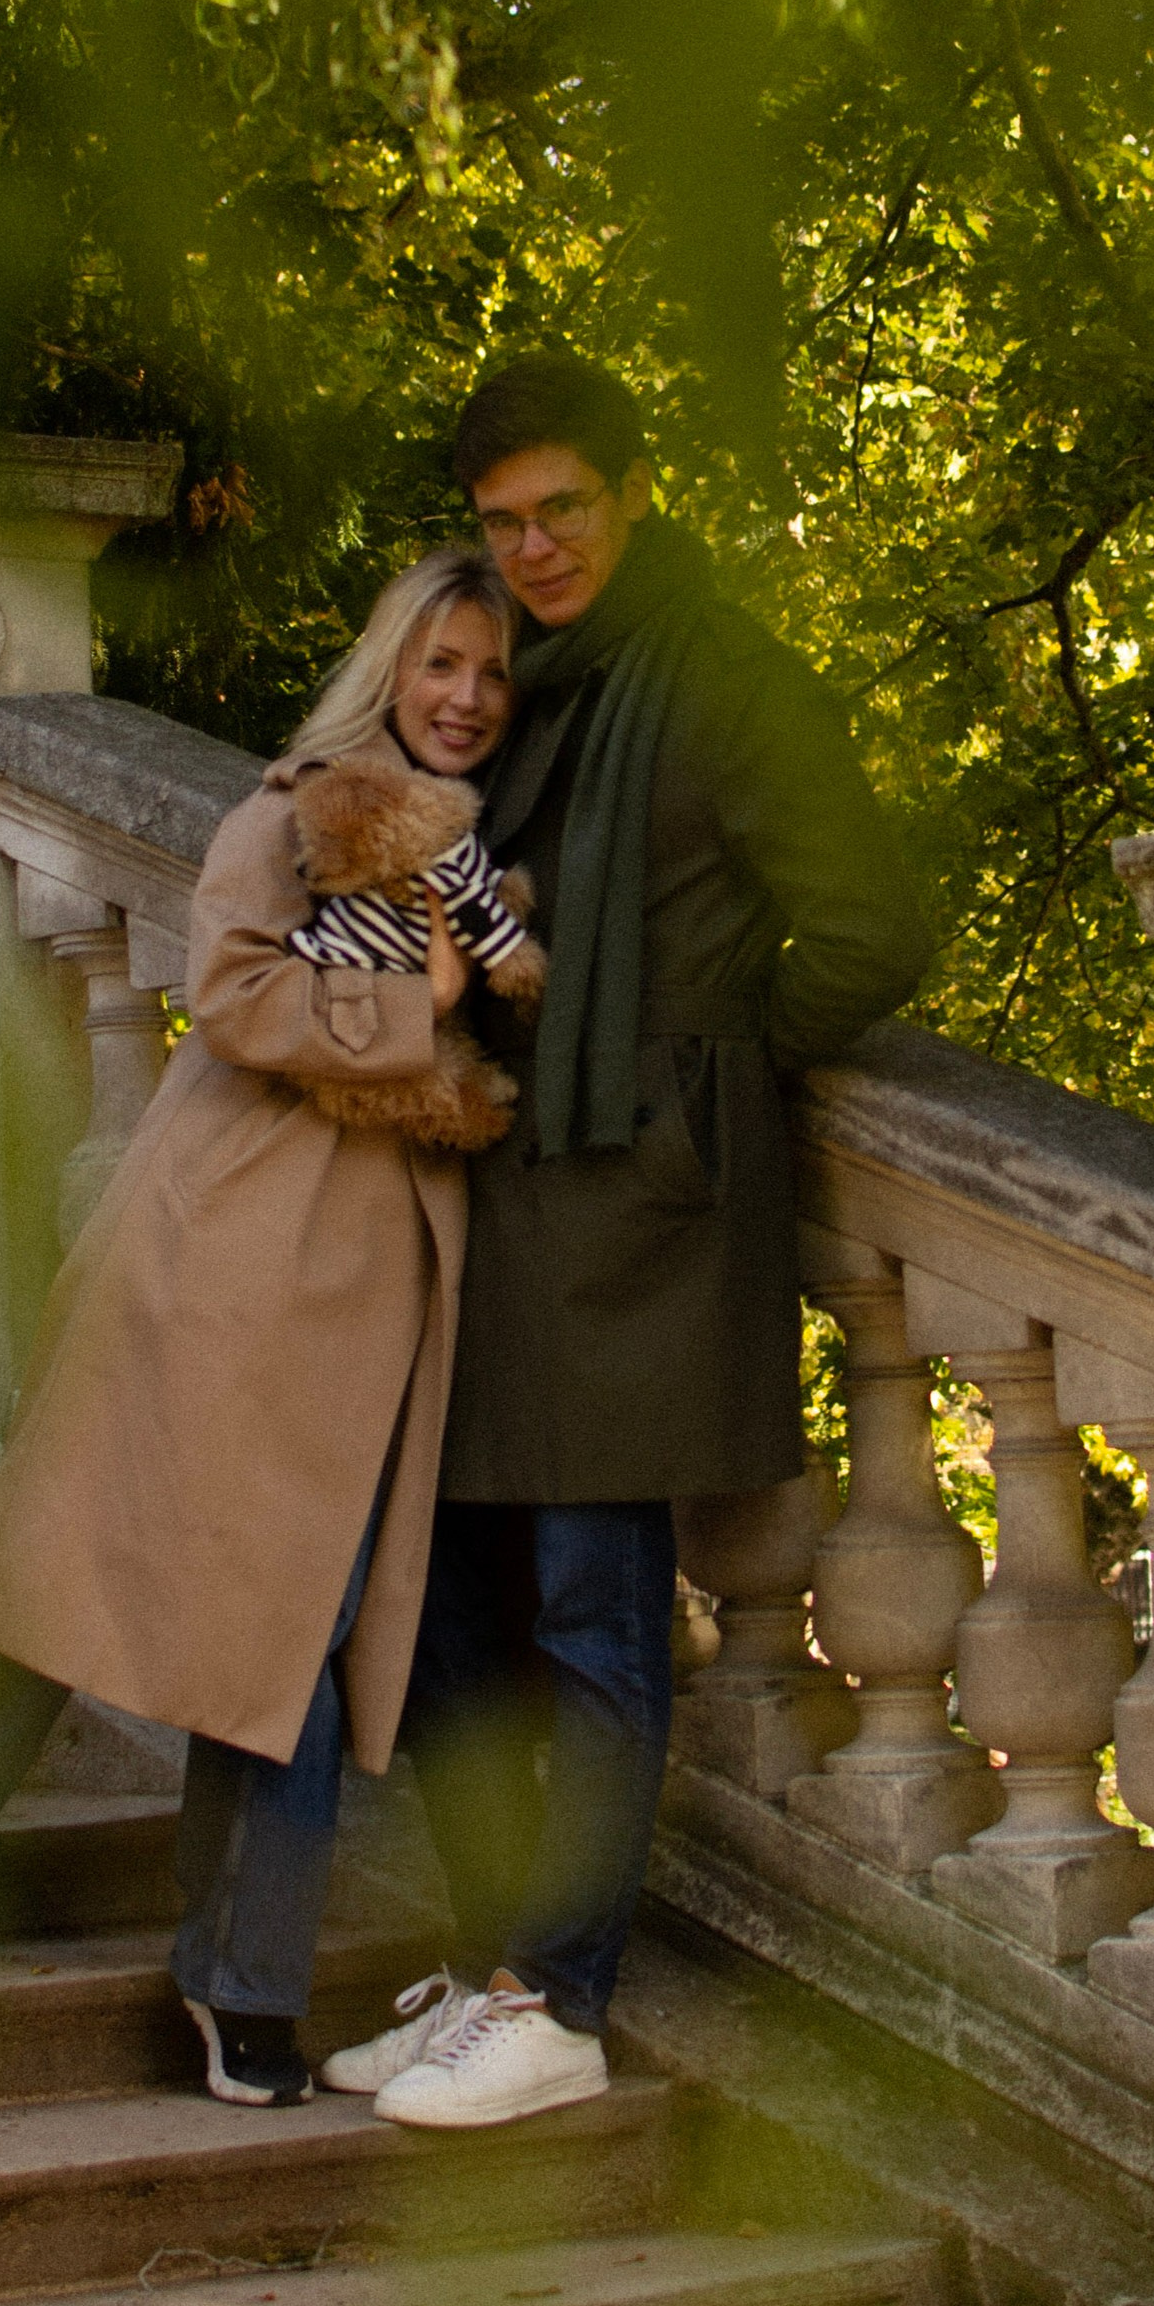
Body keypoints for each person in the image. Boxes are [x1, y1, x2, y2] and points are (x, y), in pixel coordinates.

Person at [324, 348, 937, 2131]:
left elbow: (870, 927)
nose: (534, 547)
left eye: (563, 508)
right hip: (508, 1204)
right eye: (503, 521)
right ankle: (489, 1965)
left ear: (636, 491)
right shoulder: (529, 687)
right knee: (448, 1608)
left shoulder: (729, 681)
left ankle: (559, 2002)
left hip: (642, 1219)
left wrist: (700, 1073)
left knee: (597, 1613)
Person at [0, 548, 521, 2104]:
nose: (465, 697)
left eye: (491, 673)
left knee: (272, 1635)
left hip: (354, 1287)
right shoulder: (295, 812)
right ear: (389, 667)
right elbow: (234, 993)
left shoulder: (470, 854)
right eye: (440, 663)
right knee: (69, 1576)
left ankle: (234, 1980)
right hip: (227, 1258)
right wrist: (414, 1005)